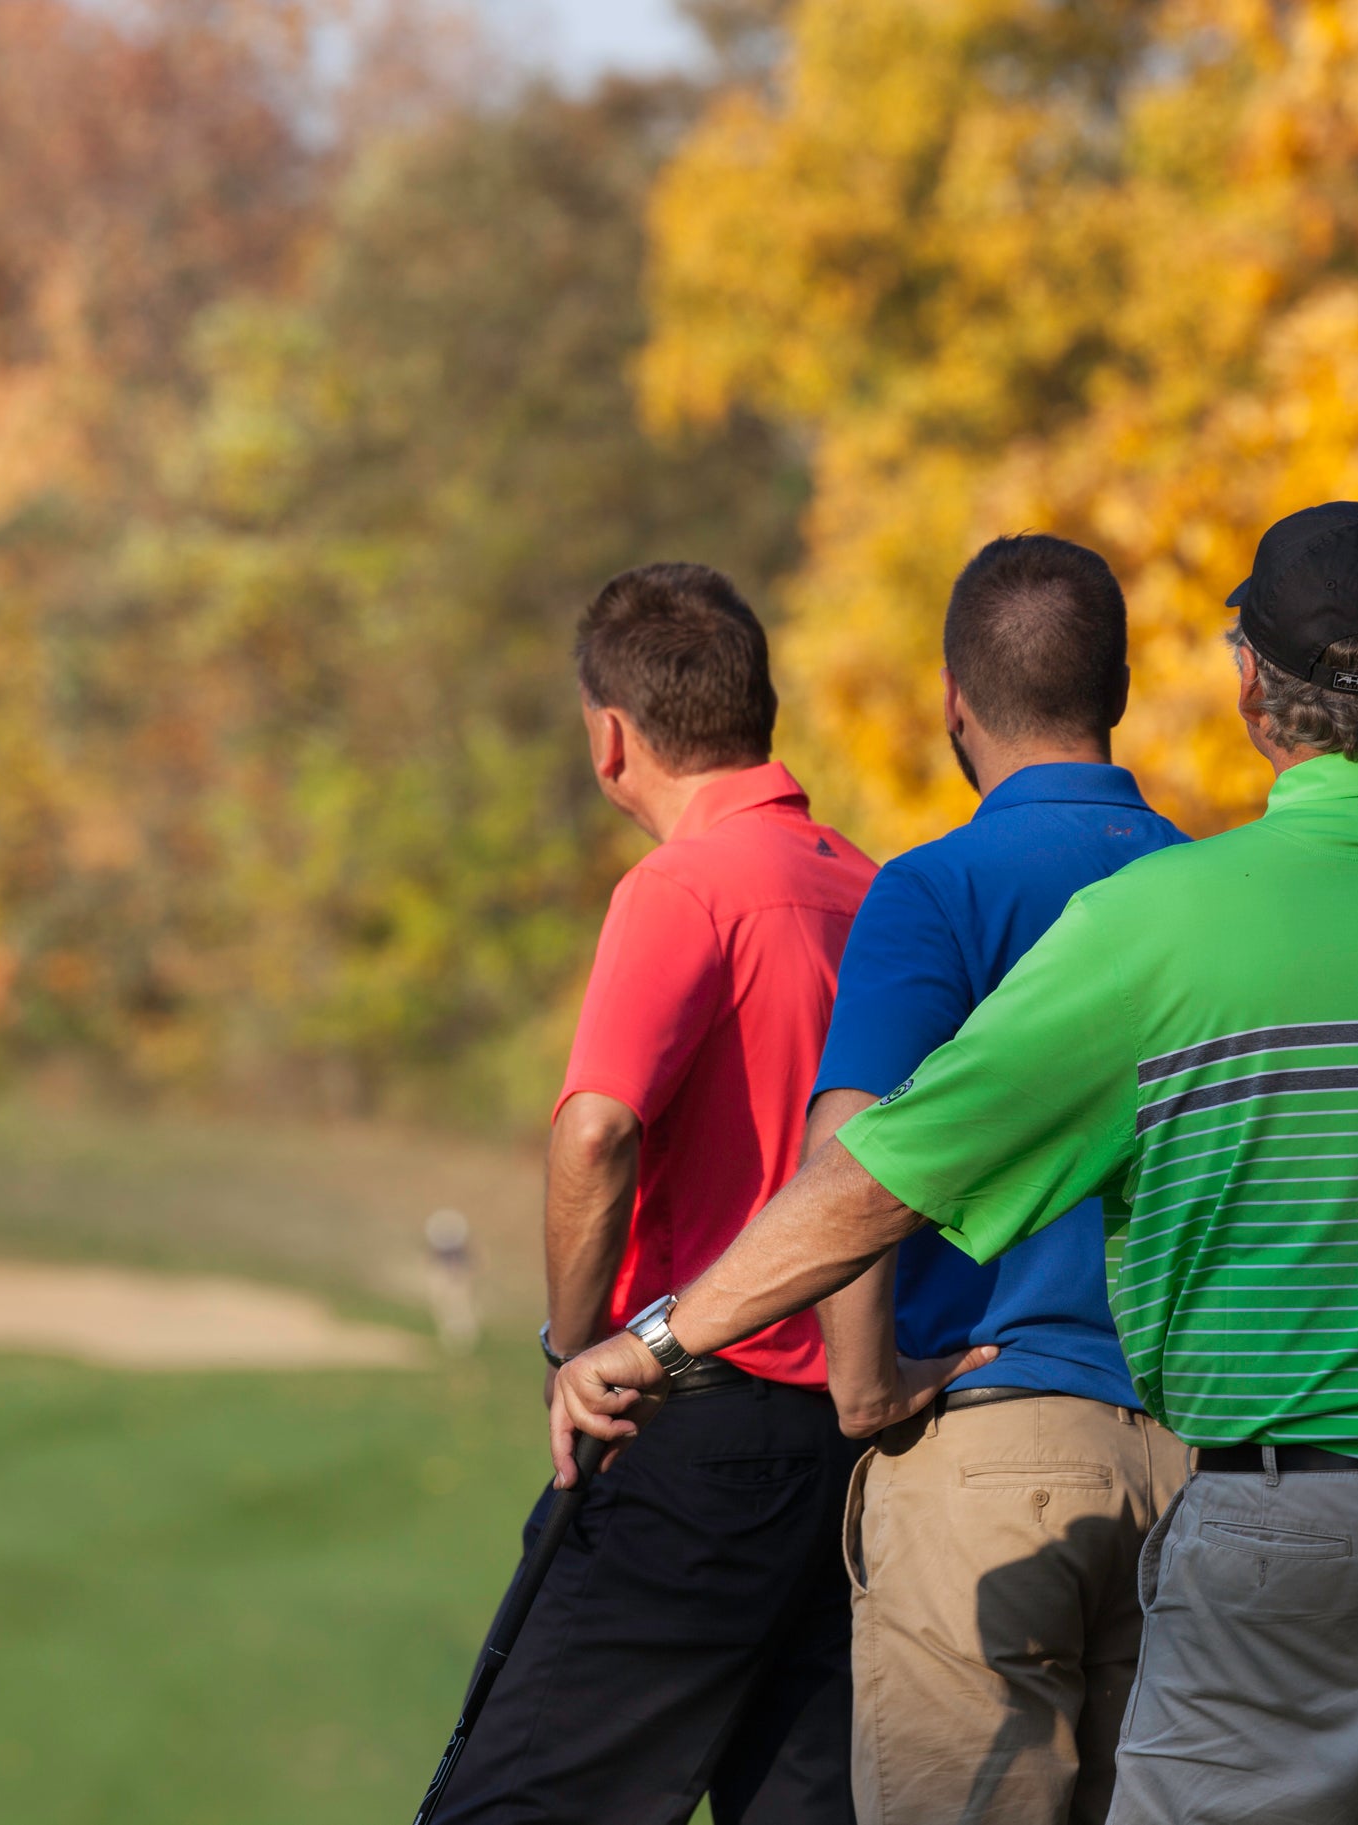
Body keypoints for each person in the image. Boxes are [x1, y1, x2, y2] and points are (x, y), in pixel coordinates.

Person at [551, 503, 1358, 1825]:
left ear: (1249, 685)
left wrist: (655, 1339)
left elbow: (876, 1176)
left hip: (1285, 1518)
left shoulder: (1160, 924)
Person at [433, 561, 878, 1824]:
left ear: (609, 737)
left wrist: (574, 1352)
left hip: (699, 1427)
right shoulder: (870, 883)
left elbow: (596, 1131)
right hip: (849, 1454)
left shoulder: (684, 885)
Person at [806, 535, 1189, 1825]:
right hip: (1201, 1469)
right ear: (1117, 689)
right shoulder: (1218, 896)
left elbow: (852, 1146)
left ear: (950, 701)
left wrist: (864, 1383)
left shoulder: (934, 890)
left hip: (995, 1449)